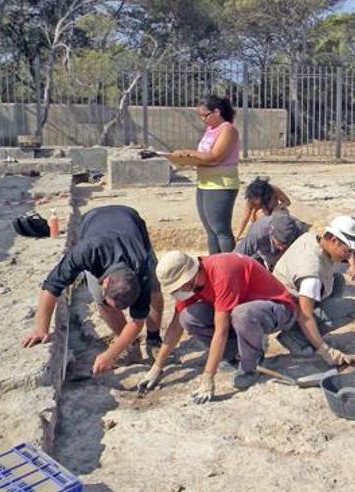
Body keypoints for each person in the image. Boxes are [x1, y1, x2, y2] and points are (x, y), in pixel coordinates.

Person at [140, 251, 302, 402]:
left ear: (190, 276)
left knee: (242, 314)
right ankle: (235, 354)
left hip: (278, 309)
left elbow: (221, 331)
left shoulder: (222, 273)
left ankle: (250, 366)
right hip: (243, 310)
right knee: (187, 317)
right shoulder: (192, 284)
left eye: (180, 286)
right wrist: (156, 368)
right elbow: (176, 325)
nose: (180, 291)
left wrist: (208, 377)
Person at [21, 205, 164, 373]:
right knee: (102, 303)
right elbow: (50, 287)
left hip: (130, 222)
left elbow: (137, 321)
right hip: (93, 220)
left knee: (154, 290)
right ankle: (130, 345)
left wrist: (110, 354)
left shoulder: (141, 266)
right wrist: (41, 329)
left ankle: (154, 339)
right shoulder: (85, 253)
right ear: (105, 282)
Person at [271, 216, 355, 361]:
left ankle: (309, 334)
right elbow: (305, 316)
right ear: (334, 240)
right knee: (351, 308)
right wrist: (325, 351)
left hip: (288, 295)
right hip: (286, 309)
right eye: (347, 251)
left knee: (338, 280)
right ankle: (295, 338)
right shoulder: (311, 274)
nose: (348, 256)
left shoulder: (312, 238)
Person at [171, 95, 240, 254]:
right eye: (200, 116)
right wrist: (185, 160)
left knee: (221, 229)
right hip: (204, 182)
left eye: (205, 115)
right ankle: (213, 262)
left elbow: (215, 156)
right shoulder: (210, 130)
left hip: (220, 184)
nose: (203, 119)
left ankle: (230, 264)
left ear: (217, 112)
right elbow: (204, 155)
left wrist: (189, 153)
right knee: (210, 230)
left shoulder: (227, 129)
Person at [234, 210, 304, 271]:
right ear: (272, 233)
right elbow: (236, 257)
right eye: (280, 243)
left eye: (285, 245)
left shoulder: (299, 233)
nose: (282, 248)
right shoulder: (258, 232)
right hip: (262, 254)